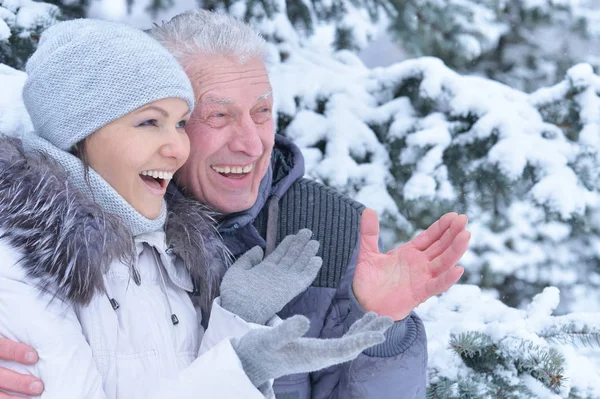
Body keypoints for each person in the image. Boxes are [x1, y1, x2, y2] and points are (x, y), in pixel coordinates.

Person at [0, 18, 394, 399]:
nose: (176, 147)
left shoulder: (167, 248)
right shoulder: (25, 261)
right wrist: (242, 366)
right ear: (78, 132)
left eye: (181, 123)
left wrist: (237, 322)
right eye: (149, 122)